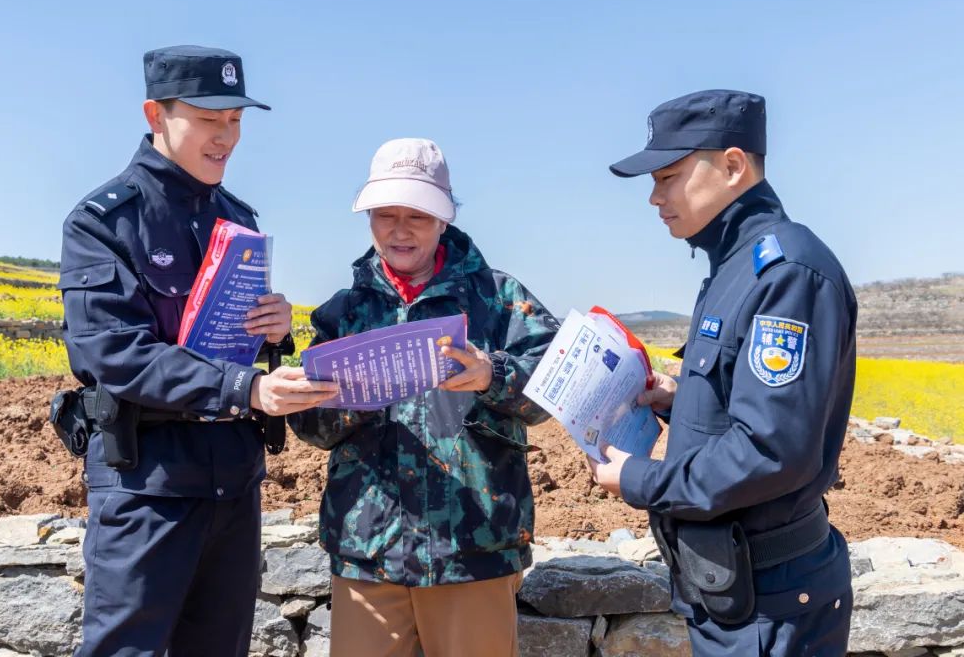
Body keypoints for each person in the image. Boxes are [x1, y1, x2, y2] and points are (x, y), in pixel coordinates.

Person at [57, 45, 338, 656]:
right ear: (155, 114)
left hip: (233, 480)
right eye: (209, 119)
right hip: (146, 485)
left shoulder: (238, 219)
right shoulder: (103, 222)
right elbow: (114, 352)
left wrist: (274, 330)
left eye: (235, 120)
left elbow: (231, 345)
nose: (226, 137)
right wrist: (247, 388)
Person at [589, 89, 858, 655]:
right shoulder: (735, 264)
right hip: (734, 593)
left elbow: (770, 451)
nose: (655, 197)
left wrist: (639, 479)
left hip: (772, 605)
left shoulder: (786, 273)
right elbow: (744, 401)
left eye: (669, 177)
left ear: (734, 166)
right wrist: (678, 400)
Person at [288, 138, 560, 657]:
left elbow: (553, 391)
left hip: (472, 552)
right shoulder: (343, 312)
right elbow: (309, 428)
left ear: (444, 217)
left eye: (416, 215)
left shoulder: (499, 299)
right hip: (369, 557)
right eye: (384, 215)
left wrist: (493, 374)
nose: (399, 229)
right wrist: (348, 399)